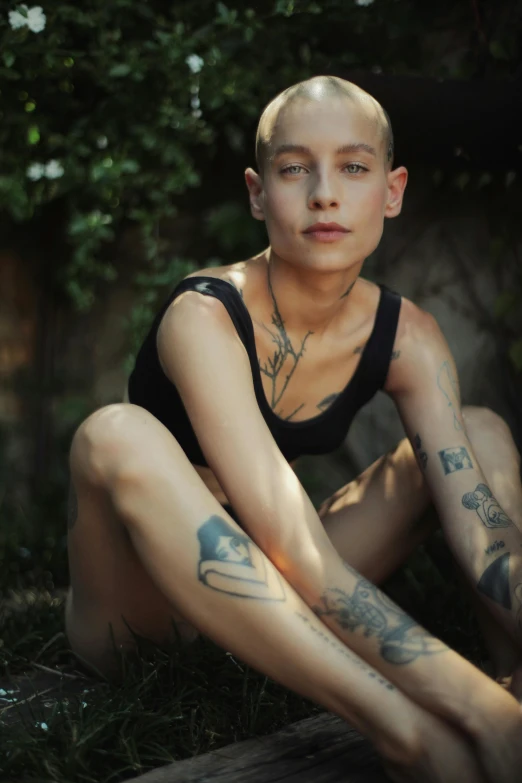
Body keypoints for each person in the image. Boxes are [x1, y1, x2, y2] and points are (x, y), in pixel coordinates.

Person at [64, 76, 522, 781]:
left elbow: (479, 530)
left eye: (354, 167)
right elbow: (297, 547)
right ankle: (408, 732)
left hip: (280, 610)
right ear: (257, 193)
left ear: (392, 192)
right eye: (294, 168)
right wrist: (463, 705)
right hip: (143, 618)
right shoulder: (206, 315)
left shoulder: (409, 336)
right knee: (114, 431)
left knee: (481, 431)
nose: (324, 193)